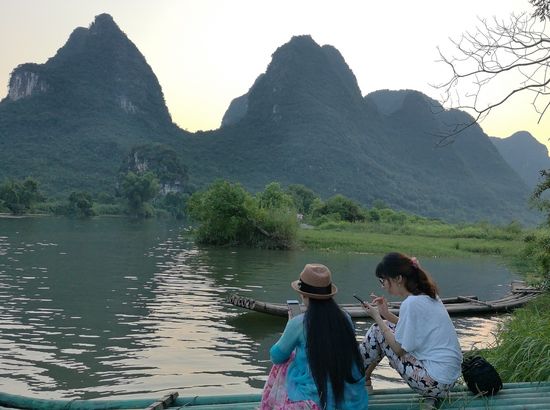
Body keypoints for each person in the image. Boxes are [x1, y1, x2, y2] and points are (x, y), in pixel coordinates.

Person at [260, 264, 369, 410]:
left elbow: (276, 356)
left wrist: (289, 328)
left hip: (315, 402)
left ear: (303, 294)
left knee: (286, 362)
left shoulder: (298, 323)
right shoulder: (345, 318)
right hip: (352, 400)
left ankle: (268, 406)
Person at [359, 252, 462, 399]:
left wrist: (377, 318)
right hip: (447, 381)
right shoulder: (428, 296)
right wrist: (385, 314)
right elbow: (411, 328)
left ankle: (355, 379)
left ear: (398, 278)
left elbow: (398, 349)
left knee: (378, 330)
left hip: (433, 383)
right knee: (384, 327)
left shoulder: (411, 303)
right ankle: (363, 379)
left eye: (383, 280)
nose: (383, 286)